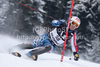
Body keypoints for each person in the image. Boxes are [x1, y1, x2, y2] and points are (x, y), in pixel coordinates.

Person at [12, 16, 80, 61]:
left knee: (47, 48)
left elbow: (73, 45)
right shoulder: (64, 23)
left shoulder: (73, 35)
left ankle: (29, 54)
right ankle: (14, 48)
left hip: (52, 45)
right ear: (70, 21)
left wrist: (75, 54)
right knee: (32, 45)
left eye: (76, 25)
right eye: (73, 23)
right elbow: (53, 22)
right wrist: (59, 23)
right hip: (46, 37)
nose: (74, 26)